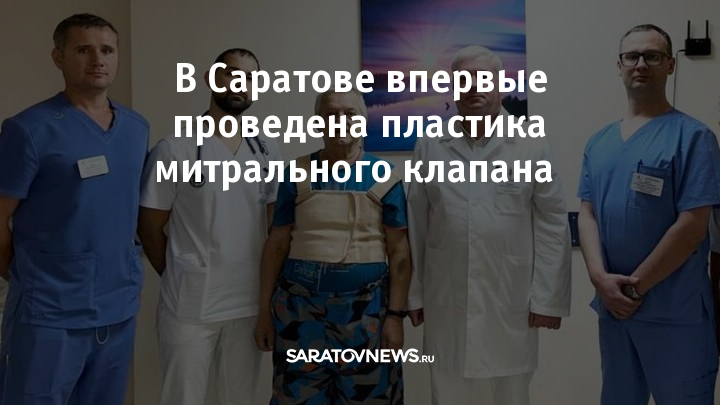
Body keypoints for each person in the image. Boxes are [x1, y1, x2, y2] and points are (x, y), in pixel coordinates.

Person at [406, 45, 571, 405]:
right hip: (446, 296)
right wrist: (414, 293)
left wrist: (547, 298)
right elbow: (416, 221)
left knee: (512, 394)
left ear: (500, 85)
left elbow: (552, 222)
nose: (473, 88)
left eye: (483, 79)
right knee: (446, 392)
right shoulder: (431, 144)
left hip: (510, 297)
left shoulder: (531, 143)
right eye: (463, 80)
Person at [0, 13, 148, 405]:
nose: (98, 60)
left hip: (117, 306)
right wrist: (26, 275)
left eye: (107, 50)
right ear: (58, 58)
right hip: (49, 312)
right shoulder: (29, 130)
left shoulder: (136, 129)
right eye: (83, 50)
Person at [577, 24, 720, 404]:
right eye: (632, 56)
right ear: (619, 65)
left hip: (675, 314)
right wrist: (599, 279)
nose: (641, 64)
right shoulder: (599, 142)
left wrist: (634, 289)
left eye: (652, 56)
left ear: (671, 65)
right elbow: (587, 214)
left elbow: (692, 227)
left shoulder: (694, 138)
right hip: (615, 312)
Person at [138, 48, 281, 405]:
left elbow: (273, 225)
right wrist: (178, 270)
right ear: (210, 79)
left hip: (248, 304)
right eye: (232, 74)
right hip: (191, 306)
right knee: (182, 399)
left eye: (250, 78)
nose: (240, 84)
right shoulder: (175, 149)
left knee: (241, 399)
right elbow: (149, 226)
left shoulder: (266, 151)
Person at [254, 88, 410, 405]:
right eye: (331, 113)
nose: (341, 120)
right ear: (318, 122)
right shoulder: (295, 173)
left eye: (350, 113)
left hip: (367, 318)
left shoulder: (386, 177)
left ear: (363, 120)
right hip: (300, 316)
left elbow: (400, 253)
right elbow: (276, 245)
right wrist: (263, 312)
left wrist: (395, 317)